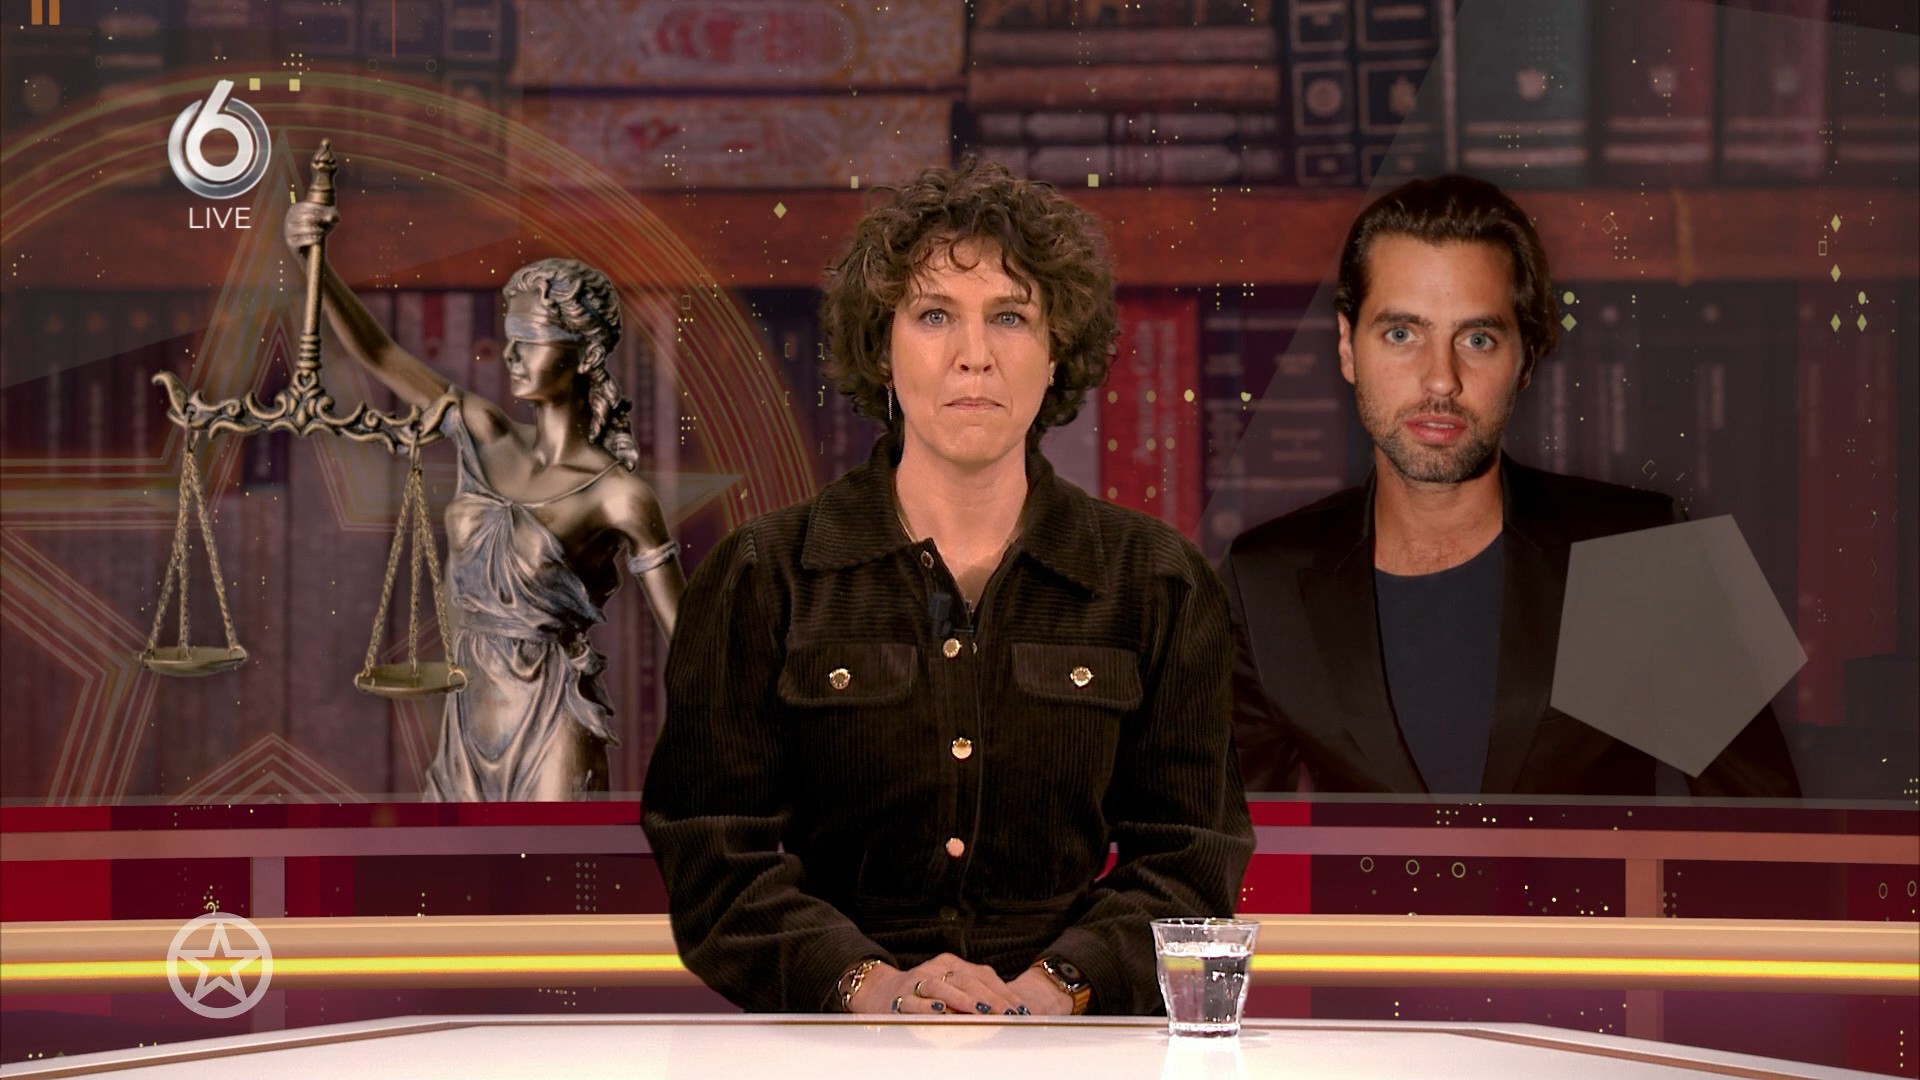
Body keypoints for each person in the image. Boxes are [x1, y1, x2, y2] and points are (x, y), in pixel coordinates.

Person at [641, 159, 1253, 1016]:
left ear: (1056, 353)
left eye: (1010, 317)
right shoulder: (760, 576)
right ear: (882, 349)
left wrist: (1052, 991)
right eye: (934, 316)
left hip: (1073, 1047)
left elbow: (1190, 858)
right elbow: (712, 858)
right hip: (829, 1047)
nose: (974, 356)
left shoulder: (1158, 583)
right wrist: (871, 987)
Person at [1222, 175, 1799, 797]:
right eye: (1401, 334)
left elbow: (1769, 836)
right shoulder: (1263, 581)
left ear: (1524, 358)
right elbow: (1221, 838)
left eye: (1477, 339)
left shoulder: (1646, 549)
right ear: (1346, 346)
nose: (1440, 379)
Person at [284, 199, 684, 801]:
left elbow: (691, 644)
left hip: (554, 719)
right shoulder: (483, 433)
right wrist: (311, 260)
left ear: (586, 355)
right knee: (454, 857)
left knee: (550, 858)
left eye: (531, 340)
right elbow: (381, 355)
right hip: (466, 718)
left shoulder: (620, 496)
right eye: (509, 339)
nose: (511, 356)